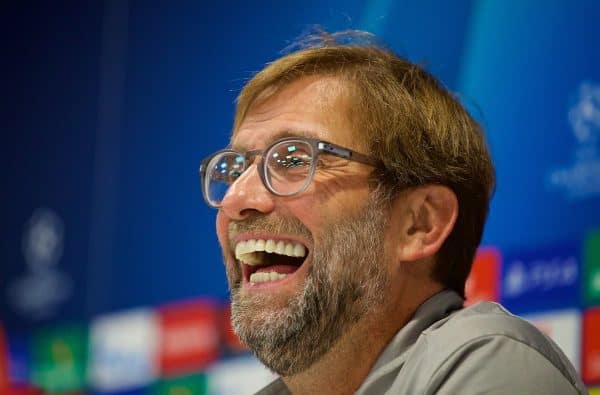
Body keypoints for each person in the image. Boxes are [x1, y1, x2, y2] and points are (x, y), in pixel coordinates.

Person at [199, 31, 587, 394]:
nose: (236, 198)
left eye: (295, 158)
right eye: (234, 169)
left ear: (421, 223)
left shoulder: (497, 366)